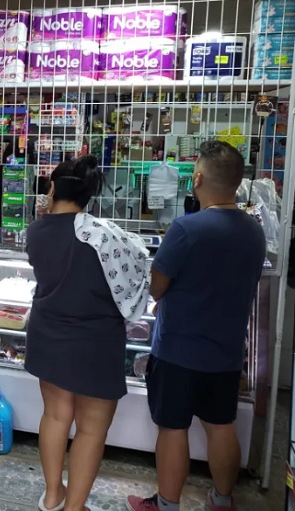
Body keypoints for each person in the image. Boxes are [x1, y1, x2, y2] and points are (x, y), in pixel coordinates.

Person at [126, 141, 267, 511]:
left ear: (198, 178)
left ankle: (166, 505)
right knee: (221, 425)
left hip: (178, 352)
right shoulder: (254, 232)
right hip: (226, 353)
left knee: (173, 428)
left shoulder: (186, 229)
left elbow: (157, 286)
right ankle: (222, 500)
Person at [26, 156, 150, 511]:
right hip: (97, 342)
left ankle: (53, 495)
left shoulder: (37, 232)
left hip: (49, 334)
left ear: (53, 188)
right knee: (91, 430)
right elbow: (138, 269)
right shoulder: (106, 235)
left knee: (54, 416)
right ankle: (74, 507)